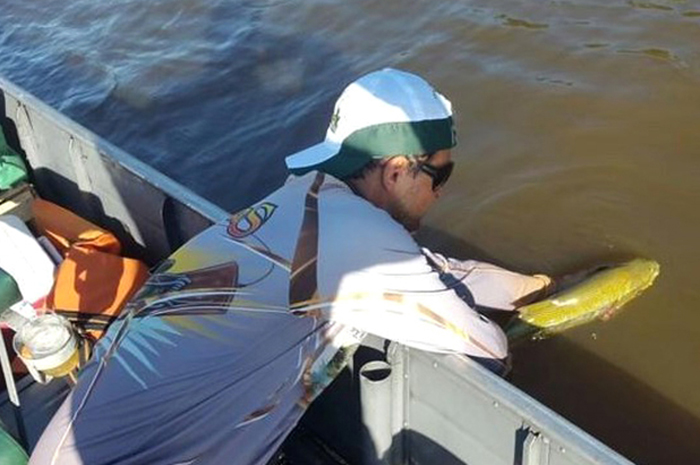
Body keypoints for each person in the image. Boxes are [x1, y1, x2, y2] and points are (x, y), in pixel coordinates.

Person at [30, 68, 553, 465]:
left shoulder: (298, 205)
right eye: (440, 175)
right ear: (397, 171)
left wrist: (537, 286)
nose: (439, 193)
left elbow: (433, 270)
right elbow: (487, 347)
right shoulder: (361, 240)